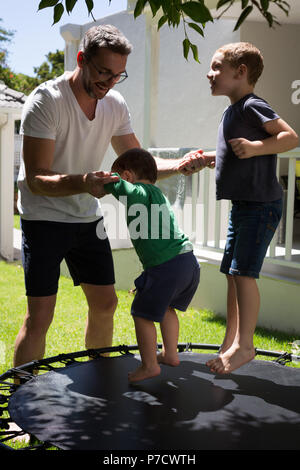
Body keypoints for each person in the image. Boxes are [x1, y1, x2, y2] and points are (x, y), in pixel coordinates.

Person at [14, 24, 204, 368]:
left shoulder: (114, 103)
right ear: (82, 59)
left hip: (86, 216)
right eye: (103, 71)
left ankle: (97, 382)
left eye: (118, 75)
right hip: (43, 217)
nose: (110, 81)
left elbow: (140, 163)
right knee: (40, 317)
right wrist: (84, 181)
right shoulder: (47, 100)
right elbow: (37, 179)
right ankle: (14, 404)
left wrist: (180, 165)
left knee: (105, 305)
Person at [180, 42, 298, 374]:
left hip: (260, 205)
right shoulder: (232, 110)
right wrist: (209, 159)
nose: (210, 73)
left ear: (240, 71)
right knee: (233, 275)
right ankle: (231, 342)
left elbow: (290, 137)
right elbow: (238, 154)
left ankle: (245, 346)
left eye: (217, 67)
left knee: (244, 274)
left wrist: (257, 146)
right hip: (244, 205)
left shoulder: (251, 105)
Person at [104, 148, 200, 382]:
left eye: (120, 176)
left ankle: (149, 365)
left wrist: (105, 180)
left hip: (166, 266)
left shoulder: (137, 191)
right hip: (187, 262)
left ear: (127, 175)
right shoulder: (157, 193)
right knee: (167, 309)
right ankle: (170, 354)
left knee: (142, 314)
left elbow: (119, 186)